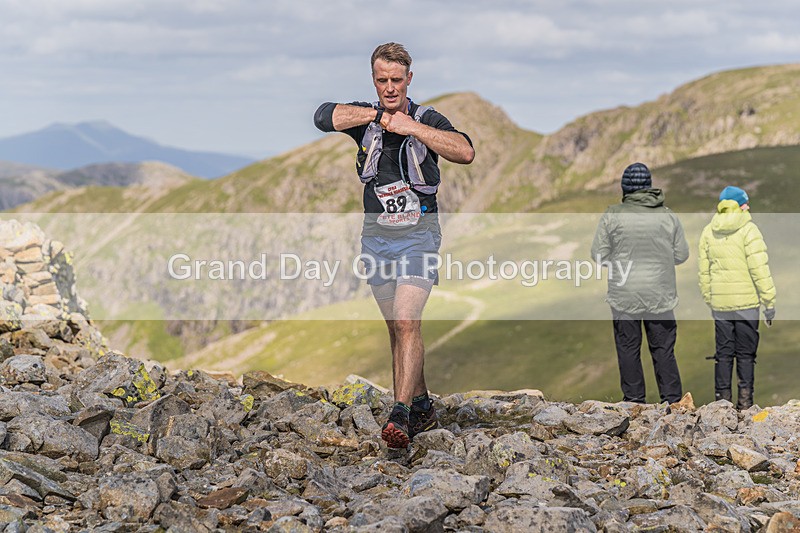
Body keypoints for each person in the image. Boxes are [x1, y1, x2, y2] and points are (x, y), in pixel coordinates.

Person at [314, 43, 474, 448]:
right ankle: (420, 404)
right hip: (377, 238)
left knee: (407, 321)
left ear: (410, 79)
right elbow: (322, 116)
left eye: (396, 80)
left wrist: (411, 127)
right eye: (382, 80)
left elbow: (465, 151)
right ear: (373, 79)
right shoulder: (365, 118)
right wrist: (380, 117)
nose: (389, 87)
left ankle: (399, 415)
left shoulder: (428, 118)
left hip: (419, 234)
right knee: (397, 328)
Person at [591, 162, 689, 404]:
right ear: (649, 187)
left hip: (624, 296)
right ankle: (673, 402)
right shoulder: (668, 216)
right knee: (664, 350)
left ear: (625, 188)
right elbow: (681, 255)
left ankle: (634, 403)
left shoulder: (612, 215)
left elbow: (598, 254)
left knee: (628, 349)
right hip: (661, 295)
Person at [698, 186, 776, 410]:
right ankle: (745, 404)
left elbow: (704, 272)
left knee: (723, 354)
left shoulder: (708, 231)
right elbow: (760, 270)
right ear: (739, 205)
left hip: (720, 305)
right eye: (746, 203)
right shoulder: (749, 230)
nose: (749, 206)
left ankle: (721, 405)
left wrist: (710, 299)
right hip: (747, 305)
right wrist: (769, 302)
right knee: (745, 354)